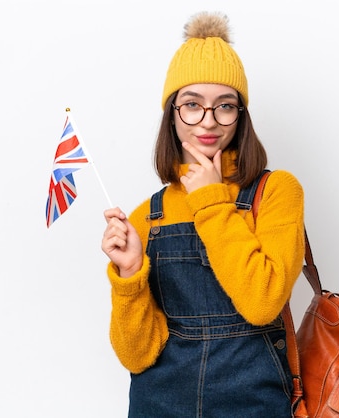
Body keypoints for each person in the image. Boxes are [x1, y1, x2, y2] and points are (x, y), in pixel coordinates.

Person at [101, 11, 305, 417]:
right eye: (192, 104)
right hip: (158, 404)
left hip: (254, 404)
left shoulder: (277, 191)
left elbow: (263, 302)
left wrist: (211, 199)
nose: (208, 121)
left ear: (241, 114)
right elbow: (137, 355)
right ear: (172, 113)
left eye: (224, 106)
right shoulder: (149, 215)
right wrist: (129, 276)